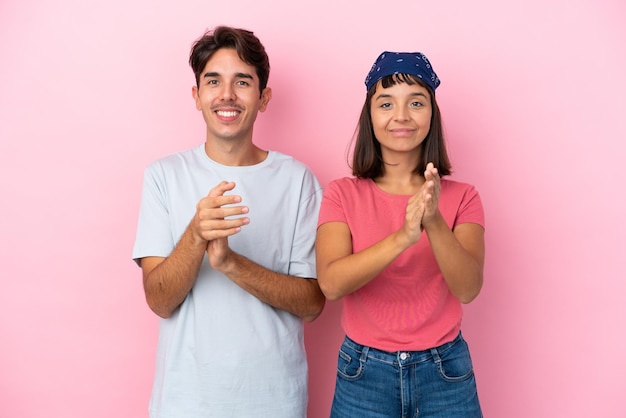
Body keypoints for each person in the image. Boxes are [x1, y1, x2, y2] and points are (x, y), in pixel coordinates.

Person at [132, 26, 325, 418]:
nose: (227, 95)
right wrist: (197, 234)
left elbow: (312, 304)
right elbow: (159, 300)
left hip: (275, 402)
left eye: (242, 82)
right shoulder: (163, 176)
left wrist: (230, 263)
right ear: (197, 96)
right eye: (213, 81)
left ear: (263, 97)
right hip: (184, 402)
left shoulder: (299, 180)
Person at [316, 51, 485, 417]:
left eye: (416, 102)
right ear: (370, 115)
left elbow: (468, 288)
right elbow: (331, 283)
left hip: (445, 371)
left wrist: (433, 220)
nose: (402, 115)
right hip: (363, 373)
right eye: (386, 103)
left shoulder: (463, 197)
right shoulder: (342, 194)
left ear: (432, 115)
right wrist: (404, 237)